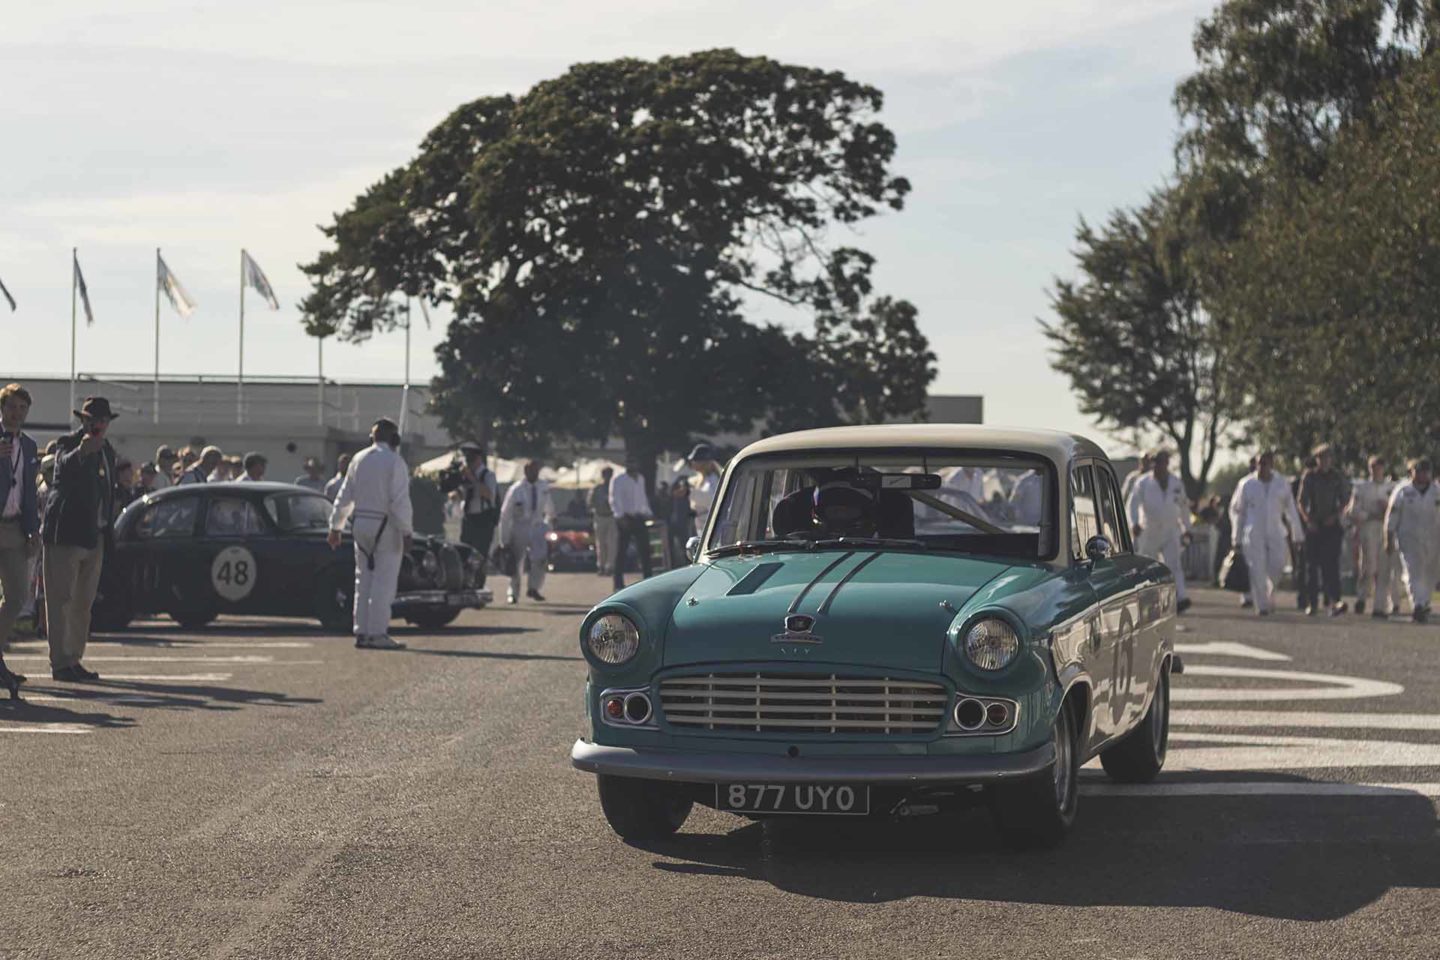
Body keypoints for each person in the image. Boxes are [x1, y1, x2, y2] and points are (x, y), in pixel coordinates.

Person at [43, 396, 120, 681]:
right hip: (65, 533)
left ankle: (73, 658)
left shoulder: (108, 451)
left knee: (82, 604)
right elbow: (60, 469)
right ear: (83, 421)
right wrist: (82, 452)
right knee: (61, 599)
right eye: (92, 419)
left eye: (102, 420)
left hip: (94, 534)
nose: (98, 424)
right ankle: (60, 662)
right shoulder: (68, 443)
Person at [328, 419, 412, 649]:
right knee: (383, 582)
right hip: (385, 525)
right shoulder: (395, 461)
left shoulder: (358, 459)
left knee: (362, 579)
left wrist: (335, 526)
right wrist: (406, 530)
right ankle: (377, 632)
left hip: (361, 524)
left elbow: (345, 495)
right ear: (394, 439)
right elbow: (399, 500)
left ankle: (362, 631)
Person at [1230, 450, 1305, 616]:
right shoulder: (1246, 484)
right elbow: (1237, 511)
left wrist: (1297, 534)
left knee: (1278, 565)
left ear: (1272, 464)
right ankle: (1262, 605)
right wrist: (1236, 536)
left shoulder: (1282, 483)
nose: (1262, 467)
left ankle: (1269, 593)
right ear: (1256, 464)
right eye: (1259, 463)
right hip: (1253, 531)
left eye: (1266, 463)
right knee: (1257, 569)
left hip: (1276, 529)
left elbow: (1291, 510)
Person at [0, 384, 39, 696]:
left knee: (17, 596)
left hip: (15, 528)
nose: (17, 413)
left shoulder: (29, 445)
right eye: (12, 407)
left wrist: (32, 530)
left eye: (22, 408)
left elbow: (28, 491)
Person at [1127, 450, 1193, 613]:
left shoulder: (1176, 483)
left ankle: (1181, 598)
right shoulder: (1143, 483)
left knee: (1174, 564)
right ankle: (1147, 600)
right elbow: (1132, 504)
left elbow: (1184, 507)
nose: (1158, 465)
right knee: (1148, 565)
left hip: (1171, 529)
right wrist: (1134, 523)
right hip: (1149, 529)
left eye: (1161, 462)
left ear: (1167, 463)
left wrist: (1187, 529)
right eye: (1155, 462)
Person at [1296, 443, 1351, 616]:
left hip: (1331, 524)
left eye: (1327, 457)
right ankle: (1312, 603)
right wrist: (1307, 519)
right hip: (1314, 525)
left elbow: (1345, 500)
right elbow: (1301, 501)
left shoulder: (1337, 477)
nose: (1324, 461)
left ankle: (1335, 601)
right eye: (1321, 457)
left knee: (1332, 566)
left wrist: (1335, 516)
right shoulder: (1310, 476)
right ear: (1316, 459)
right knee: (1312, 567)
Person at [1385, 458, 1440, 623]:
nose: (1423, 474)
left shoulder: (1437, 491)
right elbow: (1392, 515)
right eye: (1419, 470)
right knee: (1413, 572)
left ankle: (1424, 602)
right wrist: (1388, 537)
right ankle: (1417, 604)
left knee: (1430, 574)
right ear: (1411, 472)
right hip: (1409, 539)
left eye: (1426, 471)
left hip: (1433, 538)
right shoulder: (1403, 490)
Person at [1348, 455, 1401, 618]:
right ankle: (1362, 597)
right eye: (1373, 467)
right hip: (1369, 526)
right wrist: (1368, 514)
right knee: (1369, 565)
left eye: (1379, 466)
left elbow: (1398, 509)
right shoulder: (1362, 487)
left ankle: (1379, 606)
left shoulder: (1392, 488)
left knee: (1384, 567)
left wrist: (1387, 509)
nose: (1376, 470)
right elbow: (1352, 510)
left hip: (1386, 528)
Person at [497, 460, 555, 604]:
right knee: (516, 562)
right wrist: (504, 538)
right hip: (520, 527)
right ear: (525, 472)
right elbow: (505, 514)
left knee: (540, 559)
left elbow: (549, 507)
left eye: (535, 470)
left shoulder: (543, 487)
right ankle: (513, 593)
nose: (533, 473)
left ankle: (533, 588)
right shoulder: (516, 489)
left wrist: (550, 523)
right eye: (530, 470)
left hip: (538, 526)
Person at [454, 447, 498, 589]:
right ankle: (465, 582)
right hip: (469, 518)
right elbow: (461, 495)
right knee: (464, 550)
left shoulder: (488, 475)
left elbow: (488, 494)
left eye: (471, 459)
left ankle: (479, 584)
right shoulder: (466, 476)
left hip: (483, 519)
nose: (469, 463)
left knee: (480, 554)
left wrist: (472, 478)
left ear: (479, 459)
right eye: (467, 459)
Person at [610, 459, 653, 591]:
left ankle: (648, 580)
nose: (633, 465)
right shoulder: (619, 479)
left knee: (645, 550)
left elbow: (642, 497)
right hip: (625, 518)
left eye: (635, 463)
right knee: (622, 550)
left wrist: (648, 512)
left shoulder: (640, 478)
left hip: (639, 517)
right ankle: (618, 583)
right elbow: (614, 498)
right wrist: (619, 516)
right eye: (630, 463)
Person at [686, 443, 723, 537]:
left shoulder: (714, 479)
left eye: (696, 460)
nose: (693, 462)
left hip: (713, 526)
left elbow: (711, 499)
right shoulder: (700, 480)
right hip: (701, 524)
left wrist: (689, 492)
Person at [589, 466, 617, 577]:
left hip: (612, 517)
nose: (608, 477)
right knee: (600, 543)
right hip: (600, 516)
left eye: (610, 474)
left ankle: (610, 566)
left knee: (612, 543)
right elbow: (591, 502)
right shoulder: (597, 489)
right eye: (606, 474)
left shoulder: (615, 488)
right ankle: (601, 565)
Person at [669, 475, 693, 563]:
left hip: (684, 522)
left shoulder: (687, 497)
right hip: (676, 522)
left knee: (685, 543)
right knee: (676, 545)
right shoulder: (674, 497)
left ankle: (688, 561)